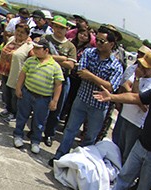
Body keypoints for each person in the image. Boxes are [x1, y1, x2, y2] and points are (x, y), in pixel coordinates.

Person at [50, 26, 124, 165]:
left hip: (99, 106)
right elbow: (81, 73)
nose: (99, 44)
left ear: (112, 44)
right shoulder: (89, 53)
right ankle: (59, 157)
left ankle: (79, 164)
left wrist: (91, 76)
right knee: (70, 130)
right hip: (82, 99)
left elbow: (111, 86)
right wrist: (99, 80)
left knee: (90, 138)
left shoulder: (116, 65)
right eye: (98, 40)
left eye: (102, 41)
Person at [12, 37, 64, 154]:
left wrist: (55, 100)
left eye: (38, 48)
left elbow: (58, 84)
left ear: (46, 50)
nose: (34, 50)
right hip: (27, 94)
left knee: (39, 122)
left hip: (43, 99)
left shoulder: (55, 66)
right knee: (22, 116)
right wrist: (18, 88)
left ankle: (35, 141)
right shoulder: (30, 60)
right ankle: (18, 135)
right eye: (34, 47)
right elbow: (22, 74)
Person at [111, 51, 151, 164]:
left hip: (135, 123)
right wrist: (135, 96)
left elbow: (144, 106)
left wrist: (135, 94)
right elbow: (125, 85)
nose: (141, 68)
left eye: (145, 67)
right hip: (124, 115)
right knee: (115, 146)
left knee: (126, 153)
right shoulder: (138, 74)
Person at [41, 15, 76, 147]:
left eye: (61, 27)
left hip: (61, 80)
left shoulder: (70, 46)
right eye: (56, 26)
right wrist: (61, 58)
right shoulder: (46, 39)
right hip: (44, 75)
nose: (58, 29)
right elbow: (39, 53)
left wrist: (50, 56)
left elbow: (71, 65)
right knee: (41, 106)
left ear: (66, 29)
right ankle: (36, 131)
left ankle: (49, 134)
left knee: (56, 109)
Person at [0, 24, 33, 122]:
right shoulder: (12, 39)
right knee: (6, 92)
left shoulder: (29, 46)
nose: (19, 33)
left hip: (17, 74)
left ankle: (14, 113)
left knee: (15, 95)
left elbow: (31, 60)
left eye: (22, 32)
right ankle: (8, 109)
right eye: (18, 31)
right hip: (5, 71)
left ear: (27, 34)